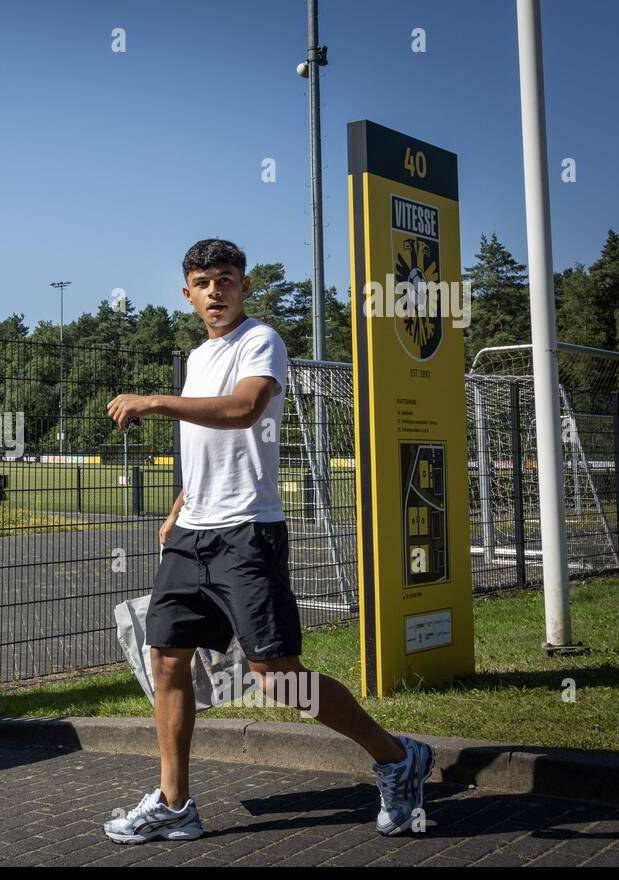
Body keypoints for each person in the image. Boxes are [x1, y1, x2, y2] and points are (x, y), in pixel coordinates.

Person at [102, 238, 433, 845]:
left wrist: (153, 402)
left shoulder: (262, 341)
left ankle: (394, 757)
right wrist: (180, 505)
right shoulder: (198, 357)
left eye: (226, 279)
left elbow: (245, 410)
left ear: (244, 286)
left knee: (278, 678)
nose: (216, 291)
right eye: (203, 282)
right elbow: (209, 442)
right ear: (188, 294)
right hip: (193, 533)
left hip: (248, 533)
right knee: (167, 660)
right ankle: (175, 805)